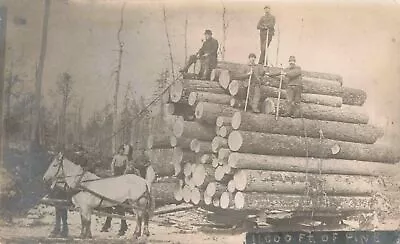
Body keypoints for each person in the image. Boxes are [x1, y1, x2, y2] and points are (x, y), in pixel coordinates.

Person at [100, 144, 129, 236]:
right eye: (120, 149)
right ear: (118, 150)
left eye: (122, 150)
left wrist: (124, 173)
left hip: (121, 173)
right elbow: (112, 164)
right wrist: (112, 172)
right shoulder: (116, 157)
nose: (121, 151)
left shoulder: (125, 158)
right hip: (116, 172)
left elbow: (127, 166)